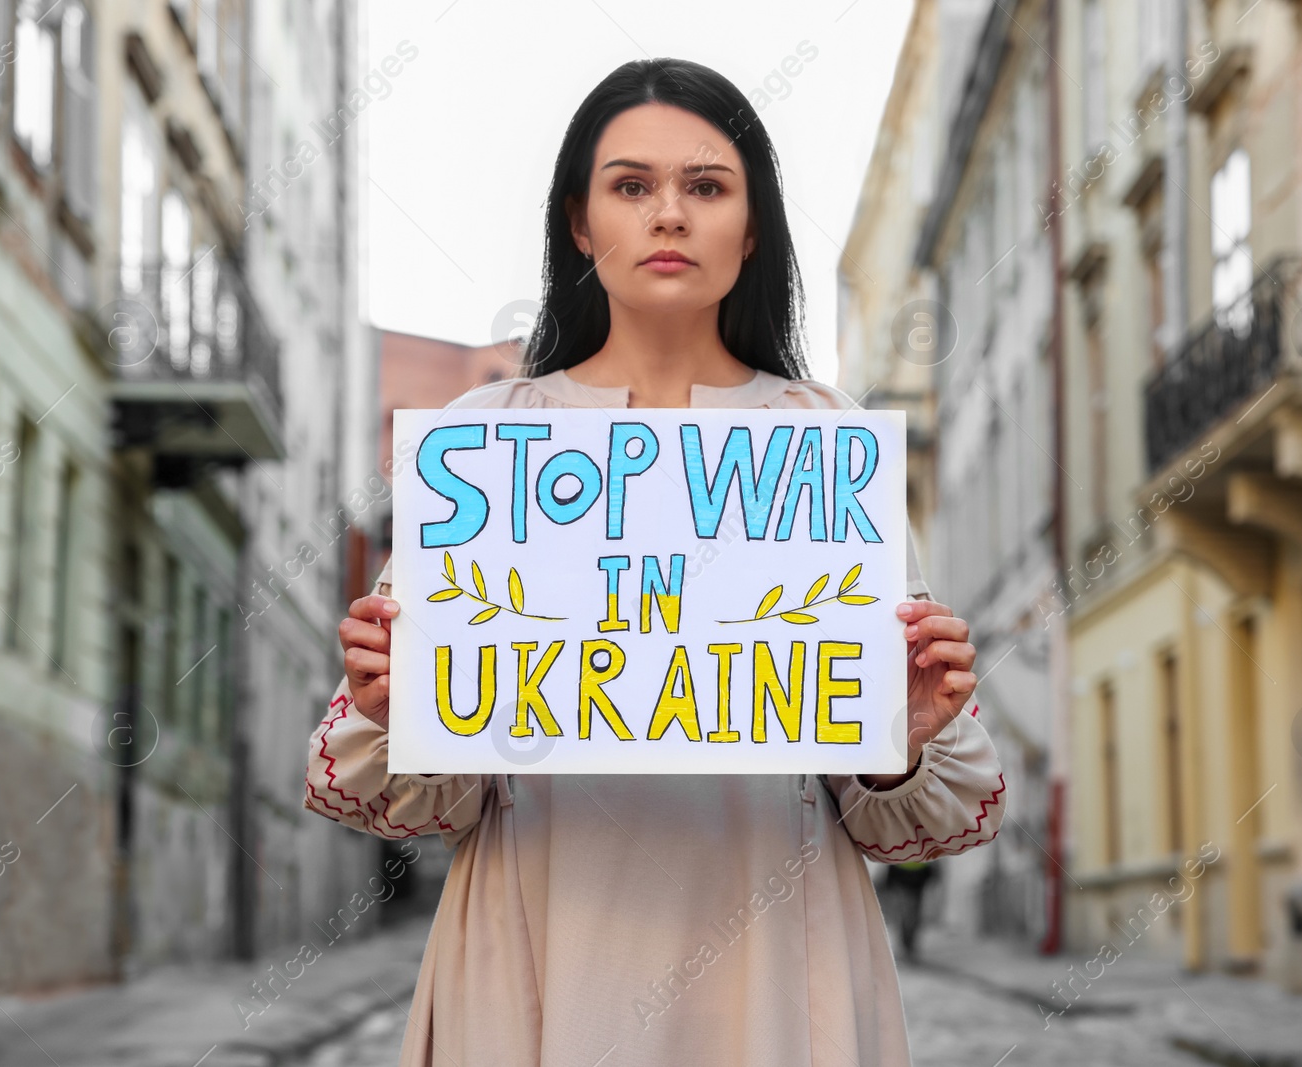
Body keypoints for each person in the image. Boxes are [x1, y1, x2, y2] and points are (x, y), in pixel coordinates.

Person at [305, 57, 1007, 1067]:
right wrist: (393, 702)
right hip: (533, 942)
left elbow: (934, 810)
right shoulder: (486, 446)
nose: (668, 215)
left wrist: (897, 733)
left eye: (706, 186)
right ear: (580, 223)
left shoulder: (824, 445)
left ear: (752, 224)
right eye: (631, 186)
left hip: (779, 950)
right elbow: (406, 795)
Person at [883, 859, 940, 964]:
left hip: (910, 877)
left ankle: (908, 947)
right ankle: (908, 947)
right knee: (909, 915)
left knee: (908, 915)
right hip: (910, 876)